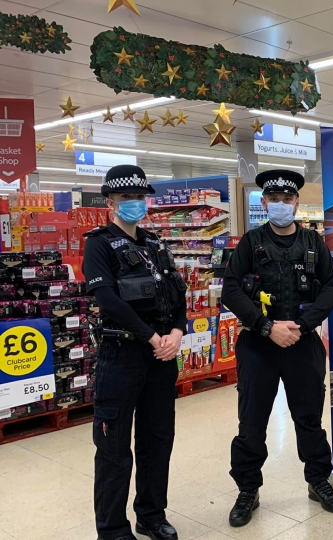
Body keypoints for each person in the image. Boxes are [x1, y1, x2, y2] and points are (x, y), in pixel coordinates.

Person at [221, 169, 333, 526]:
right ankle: (248, 489)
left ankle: (318, 479)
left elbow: (331, 288)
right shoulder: (250, 242)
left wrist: (303, 326)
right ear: (264, 203)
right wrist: (266, 326)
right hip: (258, 344)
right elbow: (231, 290)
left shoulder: (313, 242)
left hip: (303, 343)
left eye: (287, 199)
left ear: (296, 203)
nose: (280, 205)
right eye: (273, 199)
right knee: (252, 420)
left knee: (309, 418)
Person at [82, 165, 188, 540]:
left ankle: (151, 515)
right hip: (121, 356)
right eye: (126, 198)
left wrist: (176, 332)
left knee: (157, 438)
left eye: (140, 197)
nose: (134, 204)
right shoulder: (97, 244)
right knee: (113, 446)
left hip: (161, 357)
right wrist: (150, 336)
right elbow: (108, 299)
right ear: (110, 202)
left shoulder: (155, 244)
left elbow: (178, 294)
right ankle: (112, 529)